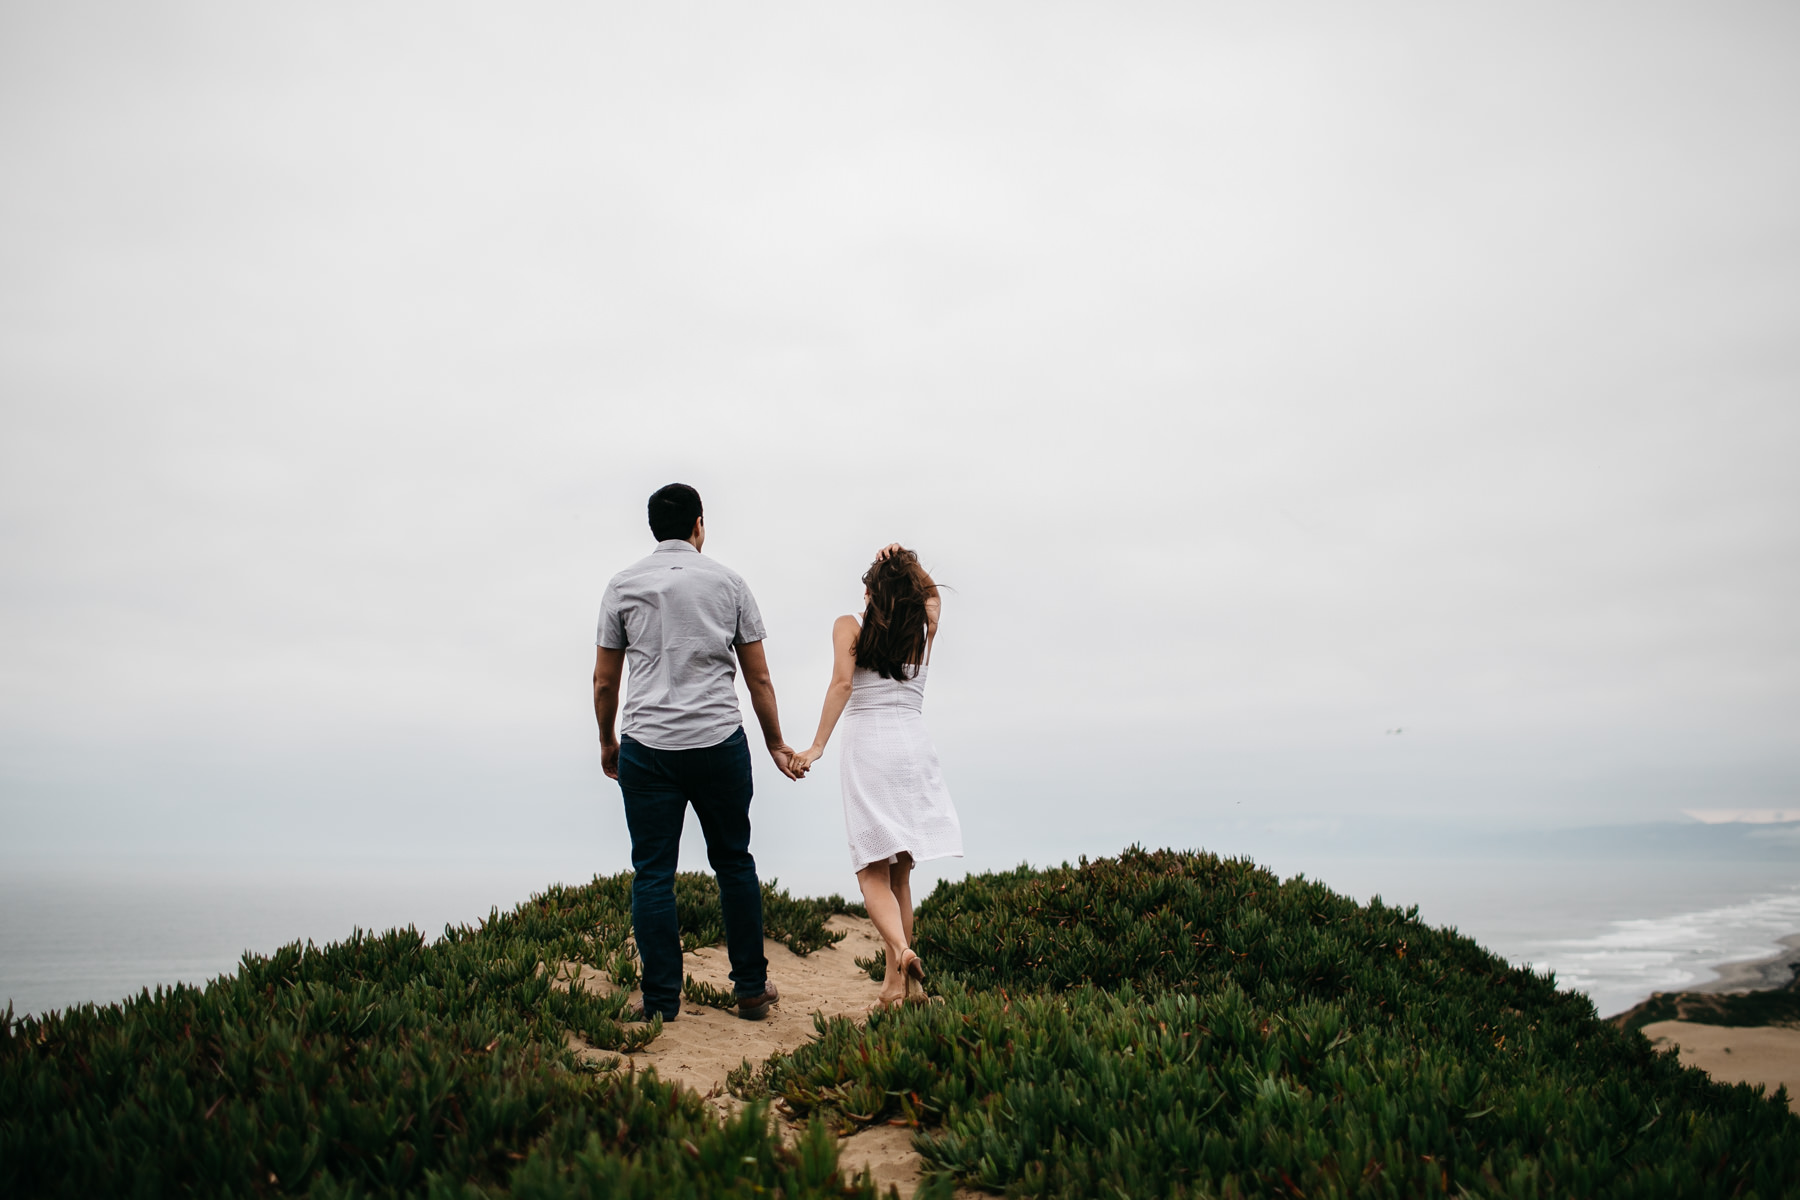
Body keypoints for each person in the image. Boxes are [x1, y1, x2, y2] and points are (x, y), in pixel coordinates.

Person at [592, 483, 800, 1023]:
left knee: (653, 873)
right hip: (718, 742)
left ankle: (661, 1001)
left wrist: (607, 741)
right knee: (734, 862)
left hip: (649, 746)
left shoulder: (623, 585)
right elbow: (758, 677)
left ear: (654, 529)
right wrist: (776, 742)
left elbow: (604, 682)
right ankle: (751, 990)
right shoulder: (729, 583)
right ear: (699, 525)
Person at [791, 544, 962, 1010]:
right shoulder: (922, 630)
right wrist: (908, 562)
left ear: (870, 592)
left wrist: (817, 746)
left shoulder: (849, 627)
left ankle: (903, 953)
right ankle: (898, 986)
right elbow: (932, 597)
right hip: (914, 749)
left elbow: (843, 684)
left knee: (872, 874)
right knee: (901, 875)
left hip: (870, 752)